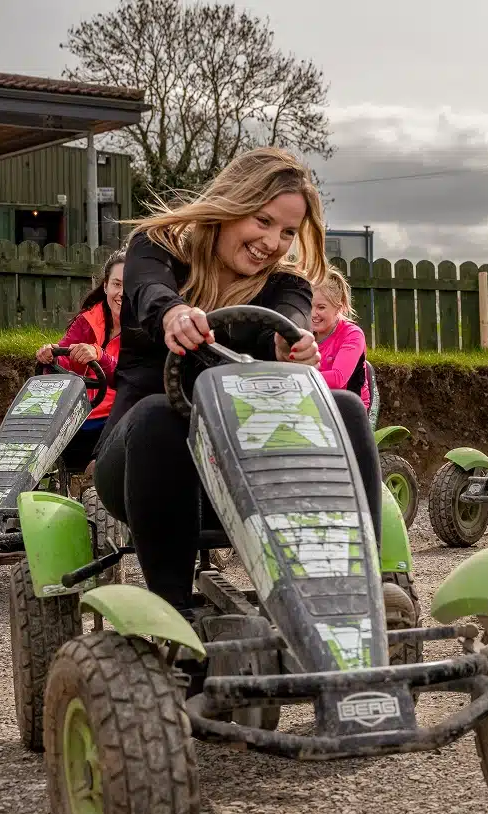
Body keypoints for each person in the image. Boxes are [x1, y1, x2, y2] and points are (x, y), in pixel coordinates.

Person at [93, 147, 383, 614]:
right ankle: (174, 614)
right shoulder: (159, 247)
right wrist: (173, 315)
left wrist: (290, 346)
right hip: (142, 465)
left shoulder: (287, 284)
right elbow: (149, 290)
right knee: (162, 416)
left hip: (246, 472)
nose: (273, 242)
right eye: (263, 221)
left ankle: (355, 600)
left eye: (288, 232)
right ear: (232, 205)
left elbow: (286, 320)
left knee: (346, 408)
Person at [35, 250, 125, 471]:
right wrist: (51, 356)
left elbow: (133, 377)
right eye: (117, 284)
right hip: (78, 417)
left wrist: (101, 356)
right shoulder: (87, 321)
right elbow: (64, 365)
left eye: (131, 286)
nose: (122, 293)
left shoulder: (146, 329)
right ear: (105, 286)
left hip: (117, 421)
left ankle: (99, 472)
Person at [310, 265, 371, 410]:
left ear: (338, 308)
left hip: (350, 407)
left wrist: (299, 378)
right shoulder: (304, 332)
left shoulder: (352, 334)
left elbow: (338, 378)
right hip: (317, 401)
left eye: (321, 307)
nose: (313, 314)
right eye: (309, 306)